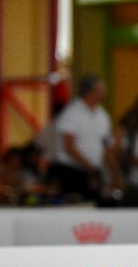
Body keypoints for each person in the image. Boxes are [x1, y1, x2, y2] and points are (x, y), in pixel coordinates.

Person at [47, 74, 124, 202]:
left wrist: (115, 175)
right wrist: (90, 168)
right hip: (70, 171)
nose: (104, 93)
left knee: (94, 204)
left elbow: (106, 148)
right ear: (89, 92)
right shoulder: (73, 113)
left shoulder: (103, 116)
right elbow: (69, 146)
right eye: (100, 90)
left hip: (91, 172)